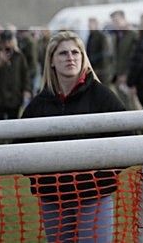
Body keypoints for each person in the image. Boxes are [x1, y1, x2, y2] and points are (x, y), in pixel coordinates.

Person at [20, 30, 126, 242]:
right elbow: (19, 148)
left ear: (83, 57)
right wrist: (43, 178)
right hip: (53, 198)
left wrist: (101, 174)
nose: (70, 57)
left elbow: (128, 139)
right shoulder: (39, 104)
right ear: (51, 61)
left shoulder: (102, 96)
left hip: (94, 195)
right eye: (63, 53)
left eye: (75, 52)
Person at [0, 29, 31, 121]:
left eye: (9, 42)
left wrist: (27, 89)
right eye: (4, 42)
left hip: (14, 97)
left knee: (13, 123)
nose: (7, 45)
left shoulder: (19, 56)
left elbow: (25, 74)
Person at [110, 9, 138, 108]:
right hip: (118, 77)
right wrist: (116, 74)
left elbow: (135, 57)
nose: (115, 24)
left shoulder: (133, 35)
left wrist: (127, 74)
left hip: (129, 77)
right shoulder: (115, 36)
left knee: (134, 105)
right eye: (113, 22)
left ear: (124, 19)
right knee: (123, 106)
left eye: (117, 21)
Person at [86, 17, 113, 88]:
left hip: (101, 69)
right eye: (89, 24)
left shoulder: (101, 36)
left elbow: (105, 54)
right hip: (93, 68)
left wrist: (102, 69)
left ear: (96, 24)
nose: (89, 26)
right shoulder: (90, 36)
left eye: (91, 24)